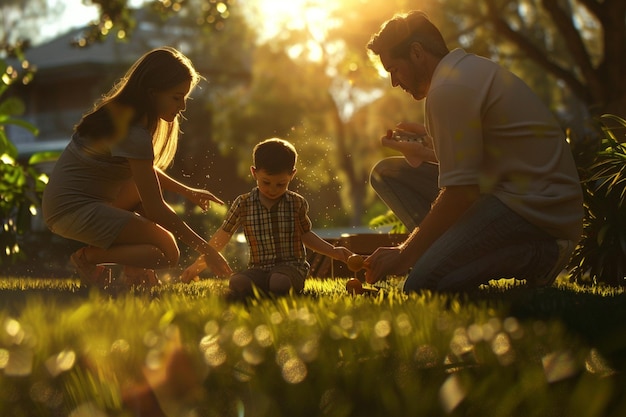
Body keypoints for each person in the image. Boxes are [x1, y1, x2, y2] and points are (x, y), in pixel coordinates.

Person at [364, 11, 584, 292]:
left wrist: (404, 255)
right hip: (506, 192)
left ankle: (538, 256)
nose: (395, 82)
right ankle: (442, 255)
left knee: (423, 285)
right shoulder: (462, 71)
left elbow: (460, 192)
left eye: (394, 69)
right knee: (388, 173)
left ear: (417, 52)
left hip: (534, 211)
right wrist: (428, 148)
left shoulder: (448, 89)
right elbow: (479, 164)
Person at [42, 46, 232, 289]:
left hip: (75, 204)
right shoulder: (132, 131)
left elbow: (143, 171)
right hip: (70, 211)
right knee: (167, 253)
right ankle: (88, 258)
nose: (182, 106)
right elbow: (155, 208)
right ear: (152, 93)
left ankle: (134, 271)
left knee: (141, 197)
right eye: (176, 97)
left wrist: (187, 191)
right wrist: (208, 251)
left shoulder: (127, 118)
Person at [181, 138, 354, 297]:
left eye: (281, 184)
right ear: (254, 173)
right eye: (266, 182)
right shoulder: (243, 204)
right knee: (237, 282)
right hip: (259, 269)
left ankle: (271, 286)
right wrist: (198, 265)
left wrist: (334, 252)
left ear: (292, 175)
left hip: (290, 268)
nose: (272, 189)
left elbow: (306, 235)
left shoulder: (296, 203)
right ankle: (262, 286)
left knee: (279, 282)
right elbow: (223, 235)